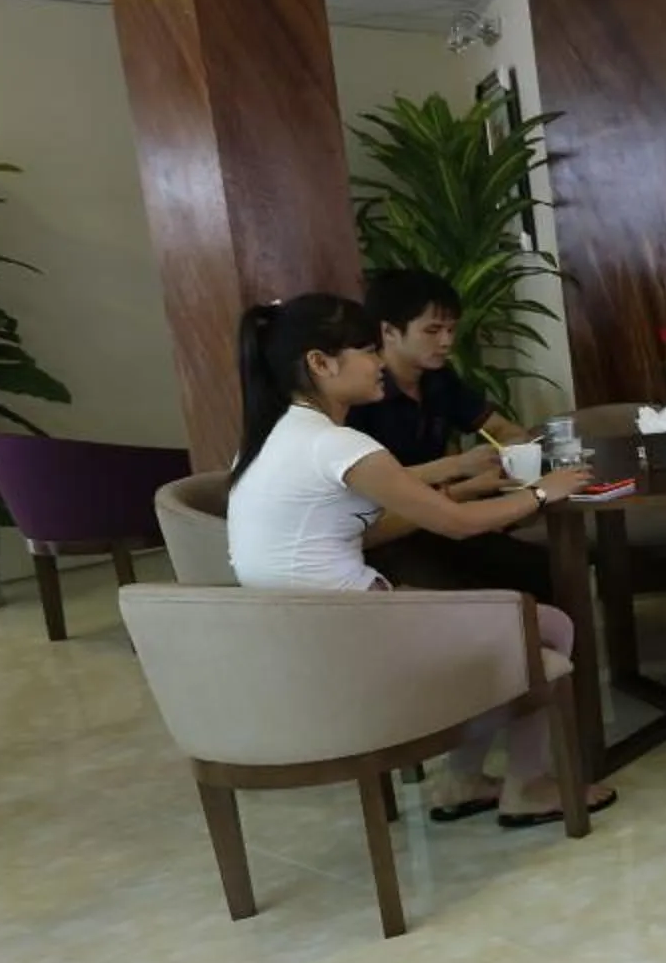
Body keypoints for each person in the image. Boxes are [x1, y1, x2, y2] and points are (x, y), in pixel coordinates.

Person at [224, 293, 614, 828]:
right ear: (320, 363)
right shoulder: (335, 444)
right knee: (548, 625)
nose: (379, 362)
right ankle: (527, 785)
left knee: (511, 622)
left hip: (302, 638)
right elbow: (457, 525)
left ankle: (465, 780)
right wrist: (544, 492)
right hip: (357, 632)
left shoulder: (273, 438)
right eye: (367, 350)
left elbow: (373, 522)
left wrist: (454, 482)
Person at [346, 267, 553, 602]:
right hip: (387, 534)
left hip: (444, 517)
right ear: (389, 331)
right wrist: (461, 470)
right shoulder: (360, 396)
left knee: (541, 569)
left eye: (451, 329)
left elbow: (502, 428)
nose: (447, 342)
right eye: (432, 330)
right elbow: (370, 488)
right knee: (473, 594)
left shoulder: (438, 378)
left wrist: (510, 450)